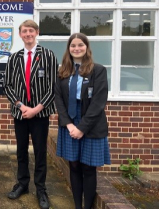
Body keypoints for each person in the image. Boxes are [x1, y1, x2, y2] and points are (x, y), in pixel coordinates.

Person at [3, 19, 57, 209]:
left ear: (37, 32)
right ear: (20, 34)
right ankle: (23, 184)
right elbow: (7, 86)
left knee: (40, 152)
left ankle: (41, 189)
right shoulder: (14, 57)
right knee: (21, 151)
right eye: (24, 31)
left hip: (40, 114)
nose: (28, 34)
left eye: (31, 31)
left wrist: (36, 109)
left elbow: (53, 87)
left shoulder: (48, 55)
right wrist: (20, 105)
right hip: (20, 114)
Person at [55, 33, 111, 209]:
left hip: (91, 122)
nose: (76, 48)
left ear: (86, 47)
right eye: (73, 45)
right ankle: (77, 205)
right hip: (69, 121)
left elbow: (98, 102)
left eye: (80, 45)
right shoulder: (62, 71)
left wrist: (82, 128)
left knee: (88, 167)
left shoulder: (98, 70)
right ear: (68, 49)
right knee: (74, 165)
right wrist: (69, 124)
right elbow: (58, 99)